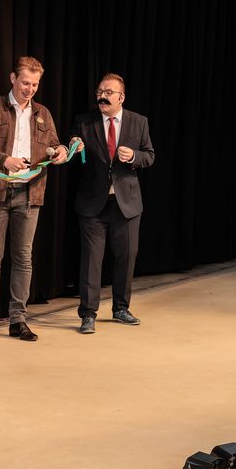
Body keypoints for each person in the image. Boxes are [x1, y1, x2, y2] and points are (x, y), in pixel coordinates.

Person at [0, 56, 68, 345]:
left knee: (23, 258)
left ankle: (18, 320)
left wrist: (60, 151)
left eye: (35, 84)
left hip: (29, 194)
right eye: (25, 82)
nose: (30, 89)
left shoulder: (42, 113)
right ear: (13, 78)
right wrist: (5, 160)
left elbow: (52, 145)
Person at [71, 73, 154, 334]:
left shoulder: (138, 122)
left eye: (108, 92)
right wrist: (74, 146)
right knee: (91, 261)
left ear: (121, 97)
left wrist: (133, 157)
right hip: (93, 203)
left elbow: (149, 156)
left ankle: (121, 308)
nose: (102, 96)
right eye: (100, 91)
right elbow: (73, 148)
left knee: (126, 258)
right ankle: (88, 314)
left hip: (126, 203)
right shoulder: (84, 121)